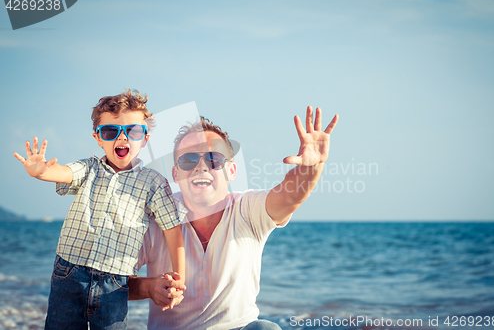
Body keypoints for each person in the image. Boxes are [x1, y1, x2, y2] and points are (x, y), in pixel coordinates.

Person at [129, 106, 338, 330]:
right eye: (188, 160)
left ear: (231, 171)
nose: (201, 166)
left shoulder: (247, 209)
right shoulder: (154, 218)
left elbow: (289, 196)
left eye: (214, 159)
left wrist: (312, 168)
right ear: (175, 174)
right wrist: (148, 288)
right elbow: (106, 280)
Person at [13, 90, 185, 330]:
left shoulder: (153, 183)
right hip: (68, 274)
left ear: (144, 138)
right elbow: (63, 172)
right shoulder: (89, 168)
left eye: (133, 131)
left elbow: (172, 231)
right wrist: (40, 172)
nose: (122, 138)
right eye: (110, 131)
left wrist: (179, 279)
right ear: (98, 138)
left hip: (115, 282)